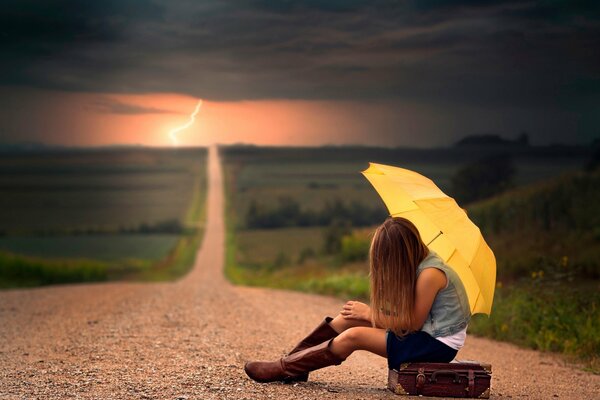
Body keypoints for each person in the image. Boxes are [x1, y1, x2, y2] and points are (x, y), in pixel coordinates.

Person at [244, 217, 471, 383]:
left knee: (354, 336)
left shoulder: (431, 274)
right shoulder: (419, 265)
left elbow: (412, 323)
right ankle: (294, 363)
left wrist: (370, 314)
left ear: (401, 254)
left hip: (436, 345)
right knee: (347, 319)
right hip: (423, 334)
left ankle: (283, 368)